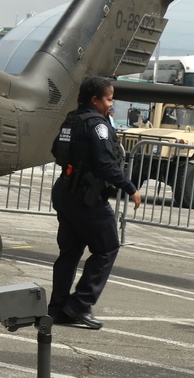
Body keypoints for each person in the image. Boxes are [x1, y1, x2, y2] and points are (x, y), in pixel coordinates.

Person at [48, 77, 142, 330]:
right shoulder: (97, 126)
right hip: (87, 197)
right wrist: (130, 188)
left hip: (66, 192)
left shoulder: (71, 120)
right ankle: (79, 304)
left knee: (69, 252)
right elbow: (105, 164)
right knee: (107, 247)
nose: (111, 104)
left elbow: (56, 150)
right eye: (109, 99)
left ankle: (57, 309)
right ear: (95, 100)